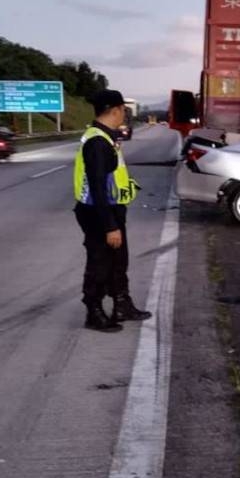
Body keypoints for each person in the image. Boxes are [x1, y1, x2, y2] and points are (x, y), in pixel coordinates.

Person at [73, 89, 152, 332]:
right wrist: (110, 226)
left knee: (118, 260)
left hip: (109, 209)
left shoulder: (106, 137)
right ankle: (93, 312)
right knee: (99, 263)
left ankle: (121, 304)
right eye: (123, 111)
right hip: (98, 213)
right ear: (116, 110)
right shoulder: (98, 142)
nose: (124, 116)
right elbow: (97, 187)